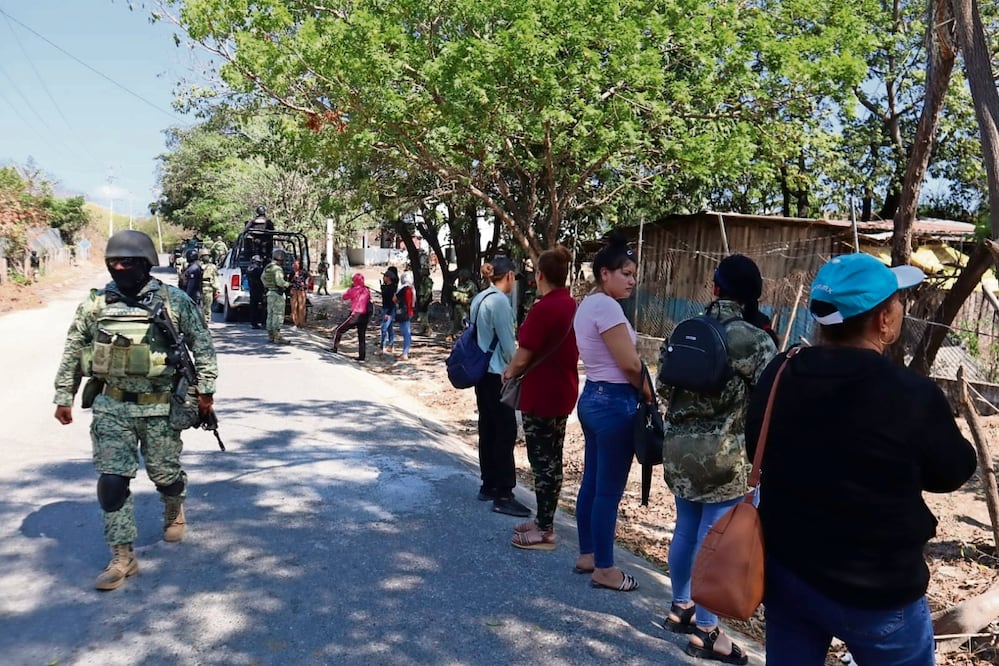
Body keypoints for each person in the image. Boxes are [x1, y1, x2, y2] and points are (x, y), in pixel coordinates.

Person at [745, 253, 977, 666]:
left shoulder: (782, 371)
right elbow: (953, 471)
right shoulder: (910, 394)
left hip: (788, 572)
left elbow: (754, 450)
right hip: (878, 591)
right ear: (883, 320)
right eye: (897, 302)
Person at [52, 230, 218, 591]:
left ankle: (174, 506)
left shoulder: (173, 301)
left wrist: (205, 392)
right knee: (111, 483)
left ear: (145, 264)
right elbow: (74, 347)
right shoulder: (96, 304)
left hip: (160, 407)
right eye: (113, 262)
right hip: (112, 405)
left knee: (165, 475)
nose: (119, 267)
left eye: (127, 262)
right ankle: (122, 557)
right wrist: (65, 394)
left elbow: (202, 345)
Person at [658, 254, 777, 664]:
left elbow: (663, 384)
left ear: (714, 289)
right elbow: (769, 397)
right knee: (715, 540)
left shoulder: (685, 328)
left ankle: (681, 607)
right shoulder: (755, 339)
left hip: (677, 452)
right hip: (724, 457)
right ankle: (707, 631)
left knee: (686, 528)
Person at [572, 233, 647, 592]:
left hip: (592, 397)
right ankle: (605, 567)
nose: (632, 280)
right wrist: (650, 395)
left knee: (592, 481)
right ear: (605, 273)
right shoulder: (607, 308)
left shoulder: (588, 304)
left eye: (634, 273)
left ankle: (588, 553)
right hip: (615, 402)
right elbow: (631, 366)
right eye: (626, 272)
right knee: (608, 491)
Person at [503, 246, 579, 550]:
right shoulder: (571, 305)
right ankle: (543, 518)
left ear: (540, 275)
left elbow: (523, 356)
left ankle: (546, 529)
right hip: (563, 390)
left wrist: (508, 373)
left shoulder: (544, 308)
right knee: (552, 458)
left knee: (543, 462)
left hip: (542, 394)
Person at [468, 256, 529, 518]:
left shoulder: (479, 298)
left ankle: (488, 483)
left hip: (481, 373)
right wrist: (517, 368)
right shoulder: (500, 302)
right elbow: (507, 345)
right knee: (505, 431)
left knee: (488, 427)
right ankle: (504, 491)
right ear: (510, 276)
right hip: (498, 375)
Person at [332, 273, 372, 361]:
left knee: (339, 330)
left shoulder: (354, 290)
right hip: (365, 316)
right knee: (362, 336)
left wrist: (350, 288)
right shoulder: (366, 290)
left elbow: (344, 297)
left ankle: (334, 348)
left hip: (355, 314)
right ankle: (362, 356)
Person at [261, 248, 290, 344]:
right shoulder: (277, 269)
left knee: (270, 315)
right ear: (281, 258)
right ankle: (277, 337)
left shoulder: (268, 267)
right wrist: (288, 284)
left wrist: (269, 285)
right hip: (278, 294)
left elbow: (262, 278)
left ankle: (270, 336)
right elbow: (280, 282)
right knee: (278, 315)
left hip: (270, 293)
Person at [393, 271, 416, 361]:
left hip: (403, 313)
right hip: (410, 312)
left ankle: (405, 353)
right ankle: (405, 352)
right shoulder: (412, 289)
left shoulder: (403, 288)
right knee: (407, 333)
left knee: (406, 333)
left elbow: (394, 299)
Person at [451, 268, 479, 334]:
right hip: (458, 307)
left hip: (466, 308)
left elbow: (475, 296)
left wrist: (467, 301)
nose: (460, 278)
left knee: (465, 323)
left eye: (461, 276)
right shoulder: (461, 284)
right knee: (456, 323)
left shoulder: (471, 285)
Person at [380, 266, 399, 354]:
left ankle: (382, 348)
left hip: (388, 310)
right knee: (389, 328)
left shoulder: (392, 289)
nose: (383, 277)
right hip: (387, 309)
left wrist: (388, 313)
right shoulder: (387, 287)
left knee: (384, 328)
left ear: (389, 278)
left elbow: (392, 302)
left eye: (385, 276)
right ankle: (391, 346)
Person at [199, 247, 220, 325]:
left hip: (208, 287)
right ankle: (205, 319)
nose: (206, 257)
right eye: (204, 255)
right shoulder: (199, 266)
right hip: (202, 287)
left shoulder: (212, 267)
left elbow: (216, 278)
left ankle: (206, 319)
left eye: (207, 255)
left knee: (207, 305)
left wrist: (217, 289)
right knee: (204, 305)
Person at [246, 254, 266, 329]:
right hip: (259, 290)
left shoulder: (249, 268)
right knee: (264, 307)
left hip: (252, 289)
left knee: (253, 307)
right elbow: (263, 277)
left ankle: (254, 323)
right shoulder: (258, 269)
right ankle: (263, 323)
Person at [288, 259, 309, 328]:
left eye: (297, 264)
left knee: (301, 307)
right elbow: (289, 281)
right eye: (294, 264)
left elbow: (310, 278)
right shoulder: (291, 272)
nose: (295, 266)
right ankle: (296, 323)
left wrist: (306, 285)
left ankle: (302, 323)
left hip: (301, 290)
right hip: (293, 291)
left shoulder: (303, 272)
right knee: (294, 306)